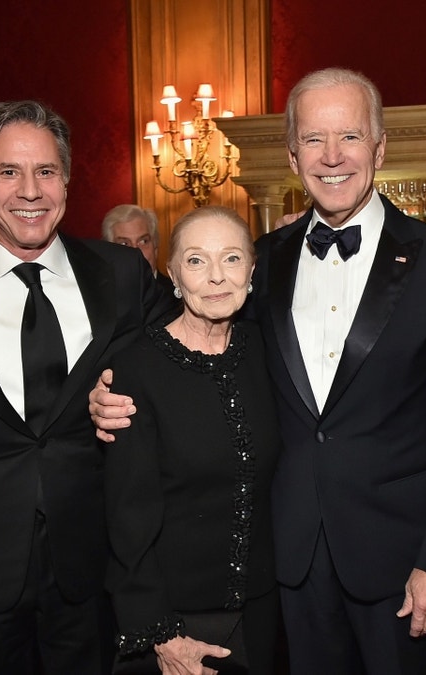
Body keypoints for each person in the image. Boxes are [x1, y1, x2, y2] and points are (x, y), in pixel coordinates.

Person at [95, 67, 426, 675]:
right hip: (285, 562)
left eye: (350, 137)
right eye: (313, 139)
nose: (332, 157)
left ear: (379, 147)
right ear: (292, 153)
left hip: (400, 564)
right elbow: (200, 362)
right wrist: (109, 394)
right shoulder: (263, 261)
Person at [0, 100, 173, 675]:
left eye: (46, 171)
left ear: (67, 180)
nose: (31, 190)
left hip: (93, 563)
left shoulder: (121, 275)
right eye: (8, 172)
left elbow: (173, 382)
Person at [105, 206, 280, 674]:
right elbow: (127, 518)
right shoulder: (135, 369)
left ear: (252, 270)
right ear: (173, 273)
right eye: (197, 261)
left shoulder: (267, 352)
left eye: (232, 259)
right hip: (177, 621)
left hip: (265, 613)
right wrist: (161, 632)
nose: (217, 277)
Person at [101, 204, 175, 299]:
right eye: (124, 244)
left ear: (155, 248)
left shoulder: (180, 299)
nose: (136, 252)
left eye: (143, 241)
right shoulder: (96, 299)